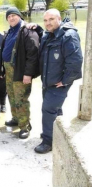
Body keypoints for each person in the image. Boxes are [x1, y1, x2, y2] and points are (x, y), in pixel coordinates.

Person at [34, 9, 83, 154]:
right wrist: (35, 27)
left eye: (51, 19)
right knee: (56, 109)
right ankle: (58, 133)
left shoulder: (69, 36)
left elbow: (75, 61)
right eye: (45, 20)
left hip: (59, 83)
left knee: (48, 110)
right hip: (48, 81)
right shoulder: (47, 34)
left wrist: (66, 81)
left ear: (59, 19)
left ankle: (49, 141)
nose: (48, 23)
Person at [2, 7, 40, 139]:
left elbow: (33, 54)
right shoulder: (10, 31)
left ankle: (25, 126)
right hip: (9, 69)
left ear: (19, 16)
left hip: (20, 71)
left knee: (21, 99)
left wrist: (28, 74)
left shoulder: (27, 30)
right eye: (9, 16)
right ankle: (16, 119)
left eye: (13, 15)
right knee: (11, 96)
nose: (11, 18)